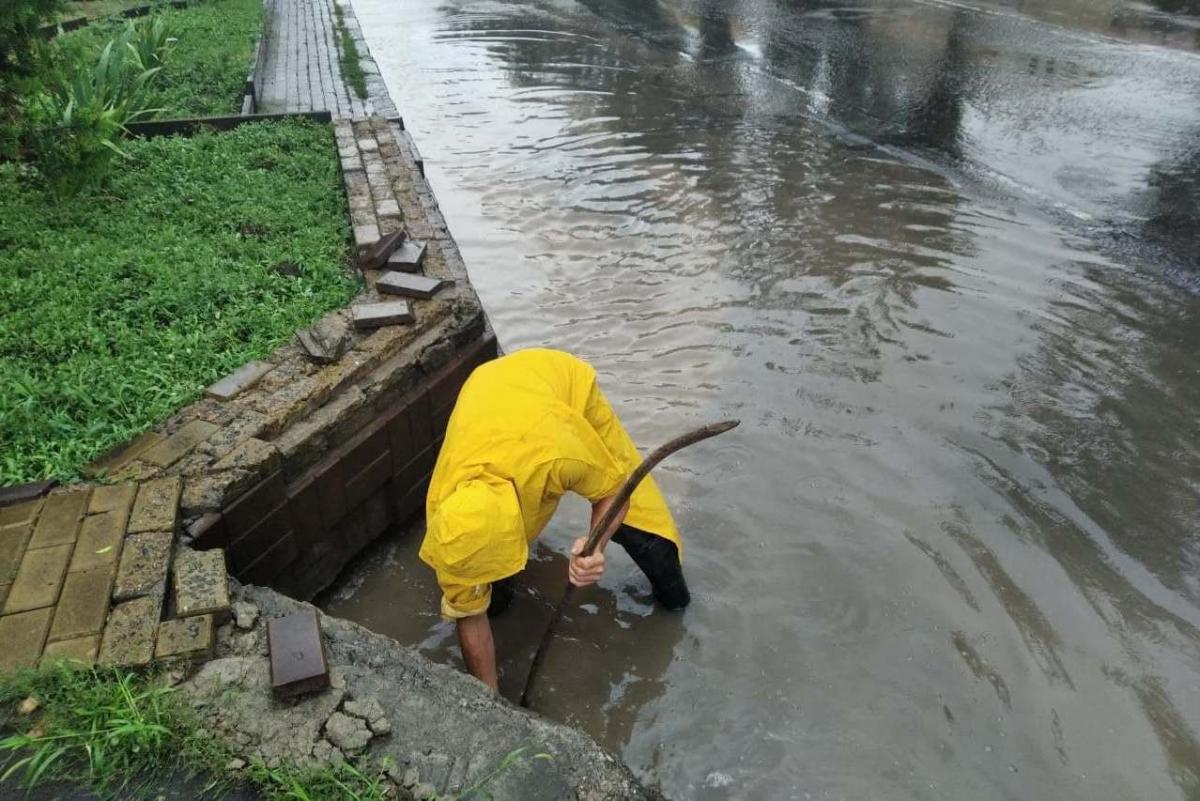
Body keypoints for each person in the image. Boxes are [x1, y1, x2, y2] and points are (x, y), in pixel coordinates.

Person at [418, 348, 689, 690]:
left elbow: (614, 493)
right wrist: (489, 700)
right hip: (486, 391)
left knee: (646, 534)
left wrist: (594, 547)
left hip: (558, 386)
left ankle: (674, 596)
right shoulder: (448, 521)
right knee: (489, 602)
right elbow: (468, 614)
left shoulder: (558, 453)